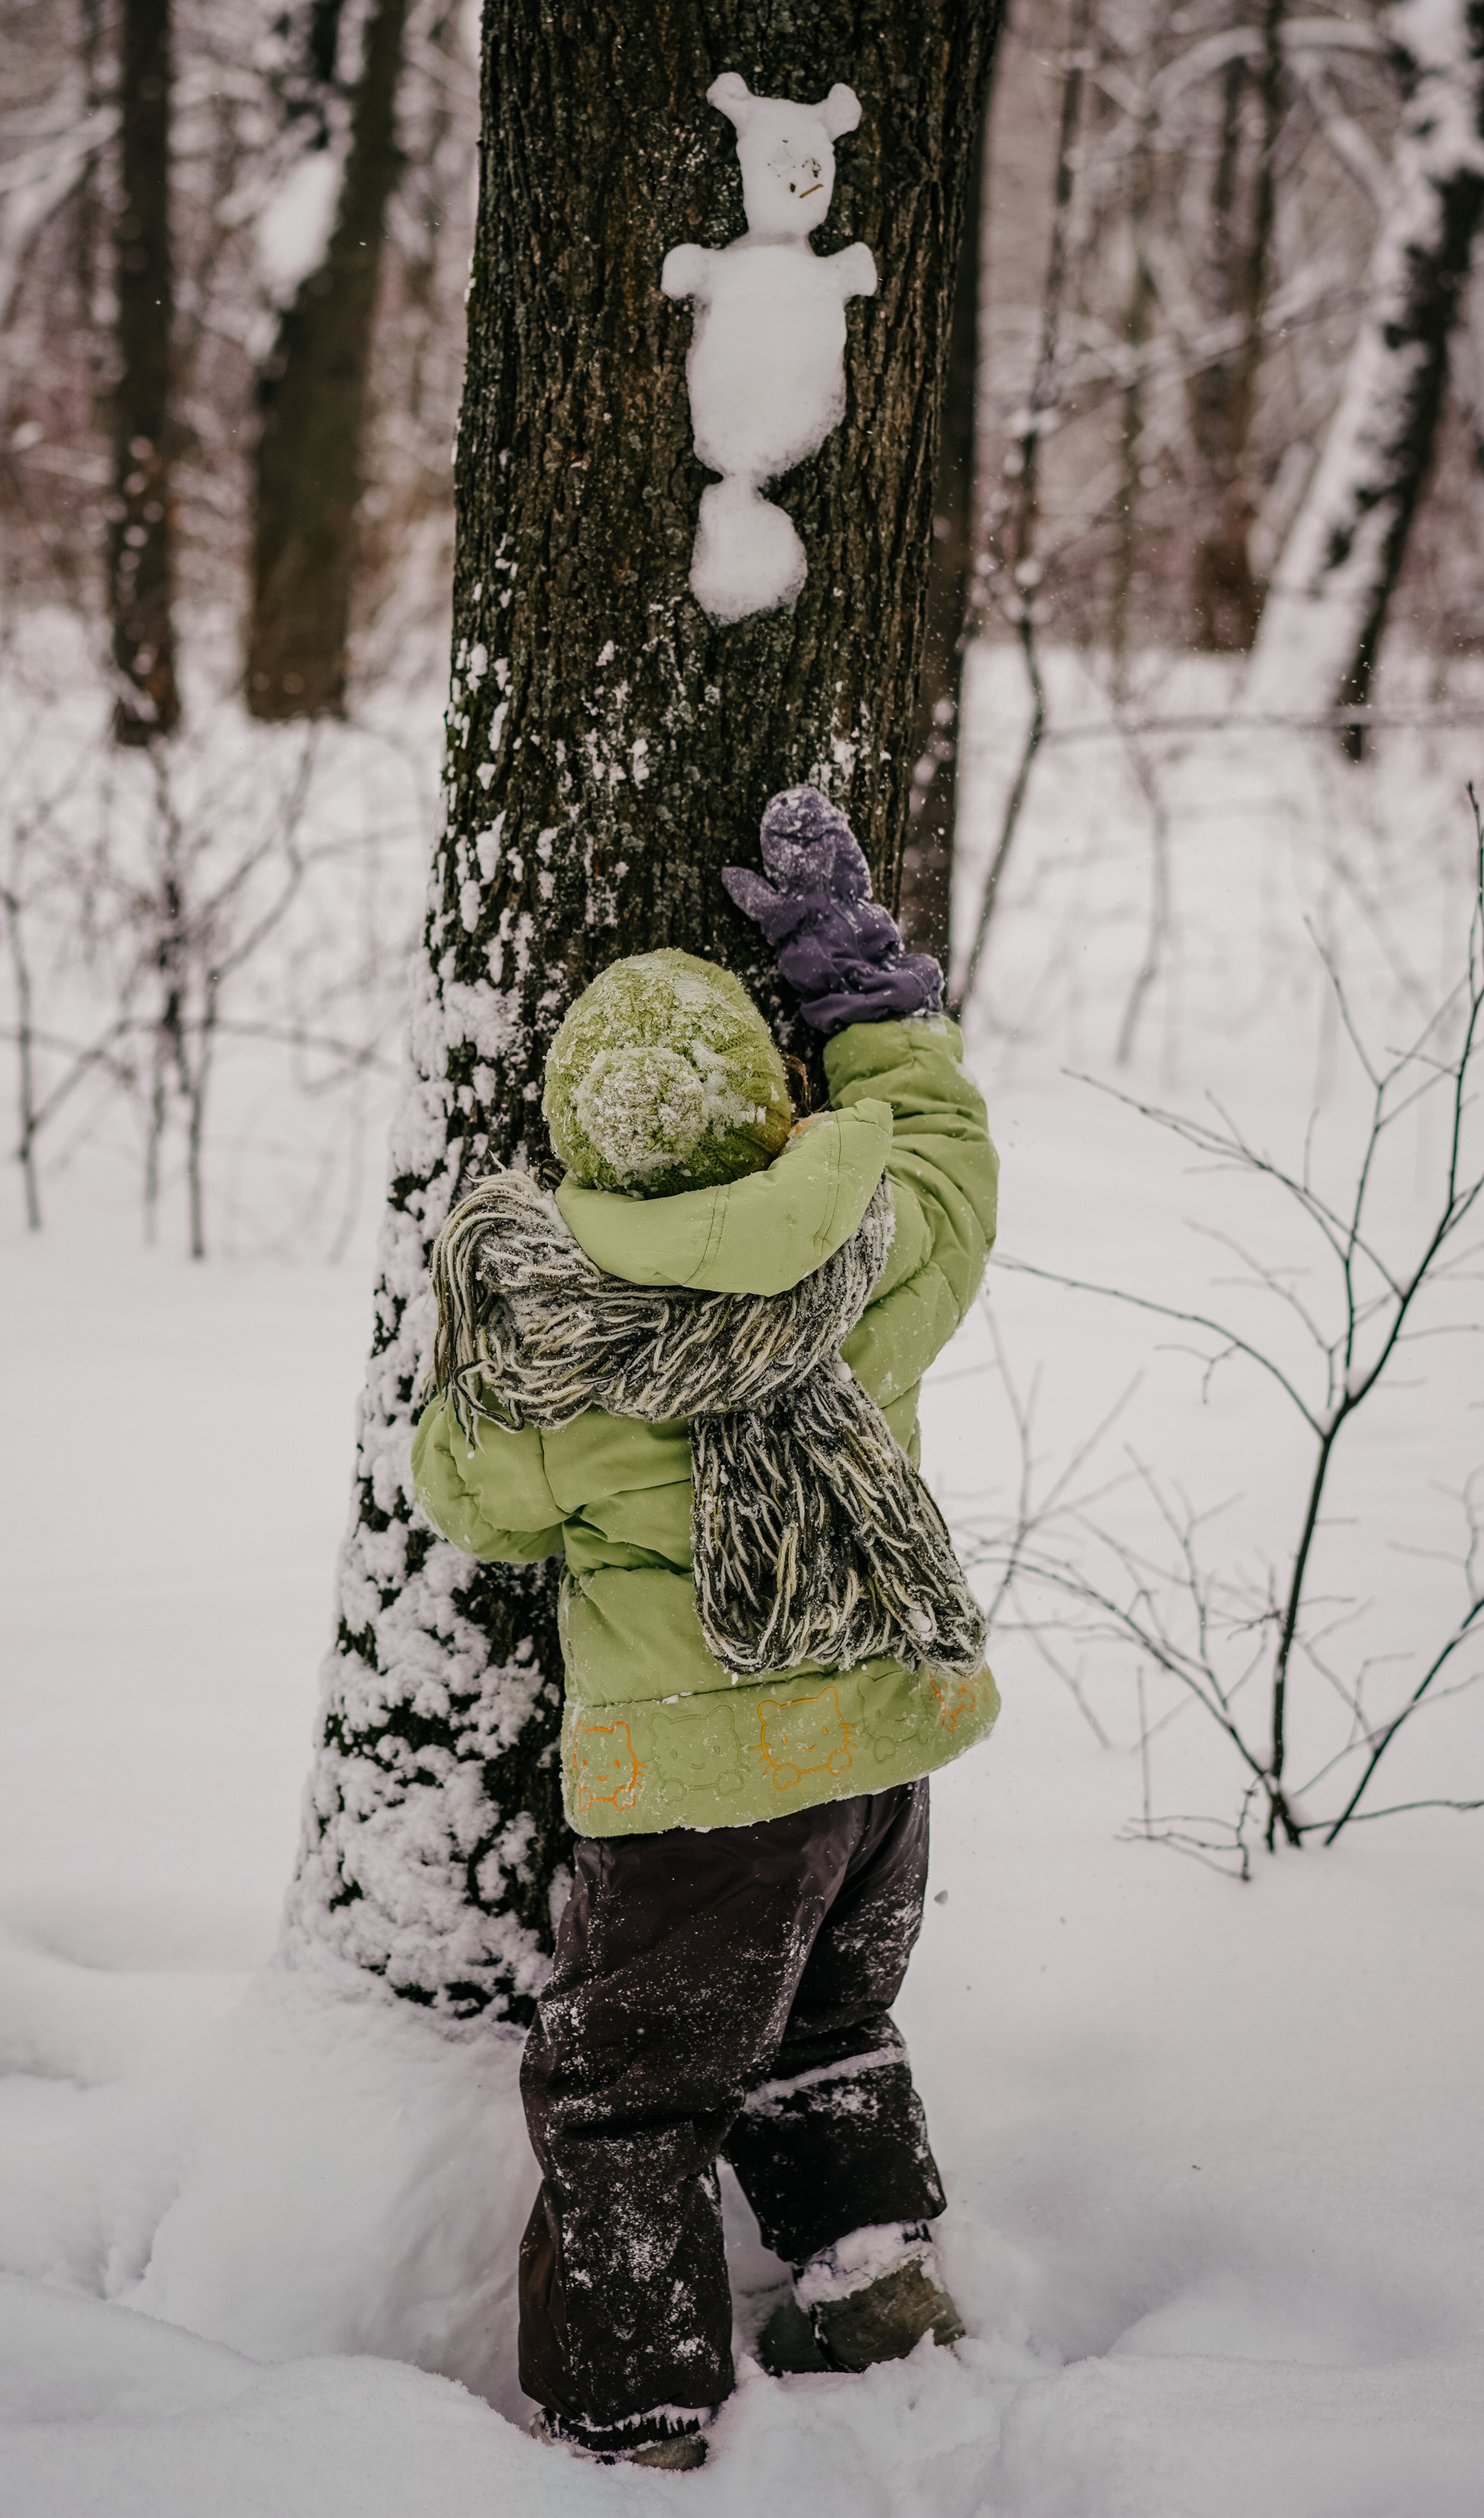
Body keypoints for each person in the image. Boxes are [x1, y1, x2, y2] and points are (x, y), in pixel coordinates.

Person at [410, 787, 1001, 2473]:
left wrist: (487, 1293)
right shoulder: (862, 1263)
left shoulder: (556, 1348)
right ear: (768, 1112)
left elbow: (464, 1491)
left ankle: (634, 2399)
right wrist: (864, 999)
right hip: (876, 1757)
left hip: (691, 1802)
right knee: (827, 2025)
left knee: (628, 2093)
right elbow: (953, 1163)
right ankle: (873, 2285)